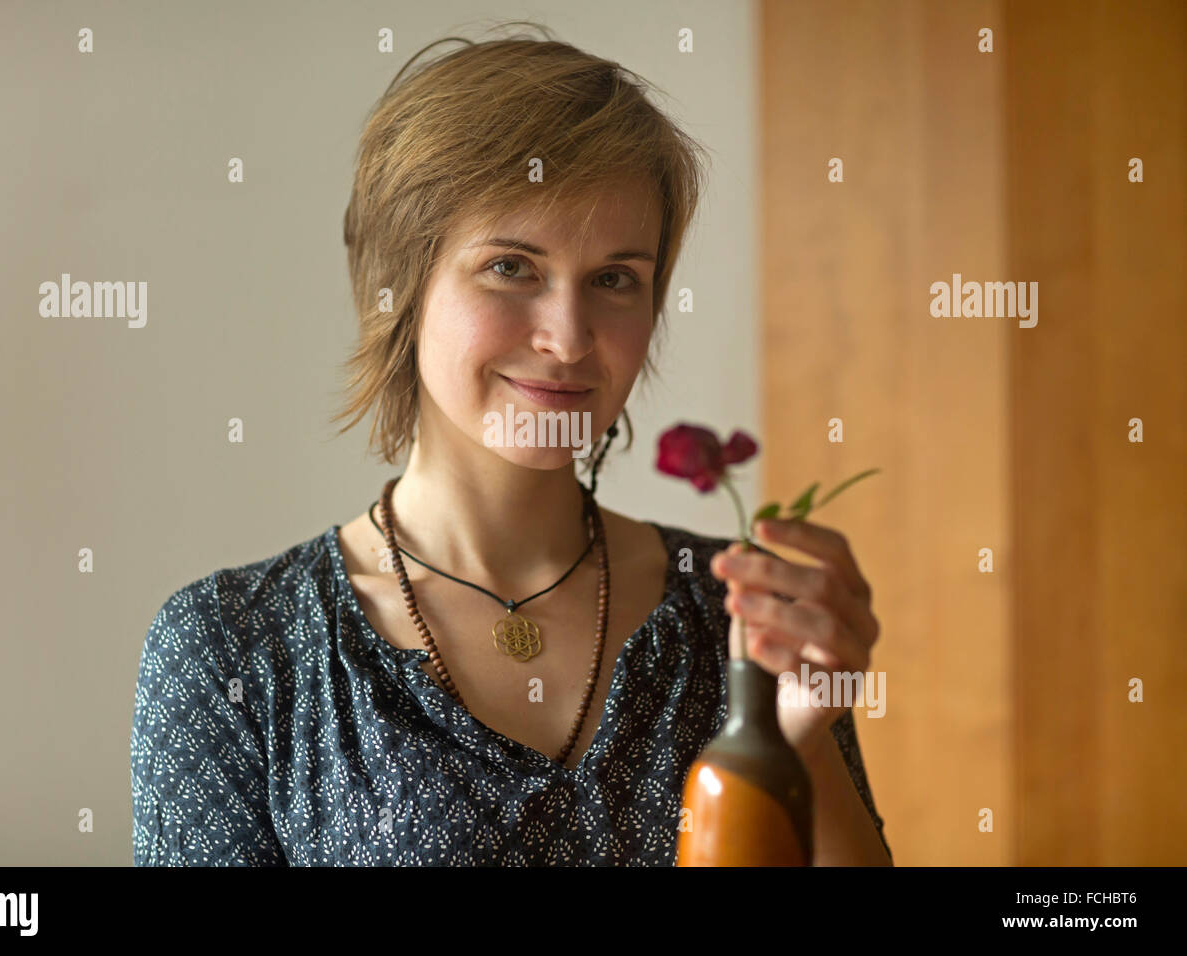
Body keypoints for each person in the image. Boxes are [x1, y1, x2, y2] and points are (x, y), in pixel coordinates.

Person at [130, 24, 892, 866]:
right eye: (511, 267)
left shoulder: (737, 620)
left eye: (614, 279)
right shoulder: (236, 650)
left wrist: (803, 743)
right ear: (402, 285)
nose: (568, 338)